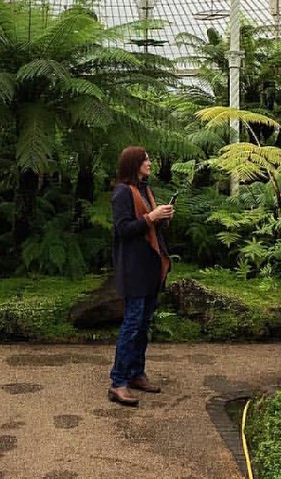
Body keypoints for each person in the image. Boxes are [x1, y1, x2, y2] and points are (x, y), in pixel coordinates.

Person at [107, 146, 173, 407]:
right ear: (134, 164)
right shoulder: (123, 192)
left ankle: (136, 373)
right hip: (133, 268)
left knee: (144, 325)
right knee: (132, 325)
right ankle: (118, 382)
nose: (150, 163)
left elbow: (148, 226)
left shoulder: (145, 190)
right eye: (146, 160)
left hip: (150, 267)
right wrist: (151, 217)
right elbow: (122, 229)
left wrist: (161, 217)